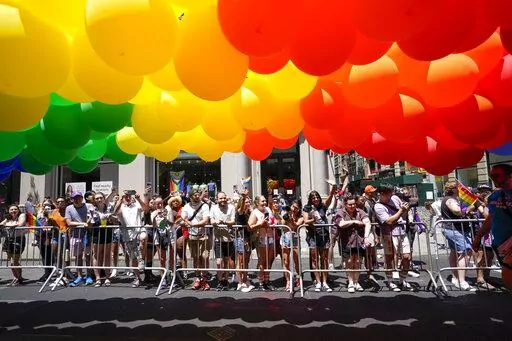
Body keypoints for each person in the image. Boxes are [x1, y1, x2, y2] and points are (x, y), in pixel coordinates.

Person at [473, 164, 512, 290]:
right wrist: (478, 237)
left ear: (510, 176)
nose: (493, 178)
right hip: (500, 246)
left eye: (497, 175)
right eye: (491, 176)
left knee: (508, 278)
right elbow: (491, 218)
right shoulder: (494, 197)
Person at [374, 184, 413, 292]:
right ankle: (390, 281)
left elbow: (403, 212)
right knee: (389, 258)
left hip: (401, 231)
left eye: (392, 192)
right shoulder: (378, 206)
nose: (392, 195)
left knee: (406, 257)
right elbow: (389, 221)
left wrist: (406, 209)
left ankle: (402, 279)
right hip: (388, 233)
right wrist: (401, 211)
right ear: (382, 194)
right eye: (389, 193)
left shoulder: (395, 198)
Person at [440, 181, 475, 291]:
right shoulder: (450, 199)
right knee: (466, 251)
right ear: (453, 189)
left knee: (454, 252)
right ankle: (462, 281)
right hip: (454, 229)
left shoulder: (452, 199)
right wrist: (469, 208)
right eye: (458, 188)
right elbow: (457, 211)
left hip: (454, 229)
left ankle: (456, 278)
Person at [336, 195, 372, 293]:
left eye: (354, 204)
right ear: (345, 204)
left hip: (359, 241)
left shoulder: (360, 211)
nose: (352, 206)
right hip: (347, 242)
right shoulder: (341, 212)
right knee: (349, 262)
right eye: (350, 204)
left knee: (358, 262)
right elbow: (341, 224)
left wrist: (366, 237)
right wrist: (355, 221)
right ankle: (351, 282)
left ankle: (356, 282)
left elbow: (367, 222)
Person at [114, 190, 150, 288]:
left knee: (143, 237)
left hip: (139, 230)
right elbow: (115, 212)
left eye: (129, 195)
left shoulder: (136, 204)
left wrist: (139, 199)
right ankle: (137, 278)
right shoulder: (121, 206)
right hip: (128, 234)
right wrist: (121, 200)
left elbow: (146, 209)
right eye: (125, 196)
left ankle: (141, 259)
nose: (128, 197)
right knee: (133, 258)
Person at [303, 190, 333, 292]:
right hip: (313, 236)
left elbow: (329, 198)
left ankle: (325, 282)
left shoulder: (323, 206)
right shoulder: (307, 208)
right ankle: (318, 282)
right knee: (315, 260)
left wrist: (333, 189)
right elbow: (306, 221)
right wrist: (314, 220)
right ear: (310, 199)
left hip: (324, 235)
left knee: (324, 259)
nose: (315, 199)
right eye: (313, 197)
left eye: (317, 197)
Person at [180, 188, 210, 290]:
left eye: (198, 195)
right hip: (192, 236)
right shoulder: (186, 207)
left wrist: (193, 224)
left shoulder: (204, 206)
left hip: (204, 235)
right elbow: (183, 218)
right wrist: (189, 223)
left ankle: (205, 279)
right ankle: (198, 279)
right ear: (190, 196)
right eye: (195, 195)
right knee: (196, 257)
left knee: (205, 257)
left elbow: (205, 220)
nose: (197, 196)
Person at [65, 192, 95, 287]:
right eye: (75, 198)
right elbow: (68, 222)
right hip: (75, 235)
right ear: (72, 199)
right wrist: (83, 224)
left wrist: (89, 221)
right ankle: (79, 276)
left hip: (88, 235)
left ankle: (89, 275)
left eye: (79, 197)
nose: (77, 199)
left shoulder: (89, 205)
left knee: (88, 256)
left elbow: (92, 218)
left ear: (82, 198)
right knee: (78, 256)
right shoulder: (69, 208)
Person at [248, 195, 277, 291]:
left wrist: (275, 222)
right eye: (262, 201)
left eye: (265, 201)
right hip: (261, 238)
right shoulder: (254, 212)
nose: (264, 203)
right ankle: (261, 282)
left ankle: (267, 280)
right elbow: (250, 227)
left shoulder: (268, 209)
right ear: (257, 203)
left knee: (269, 260)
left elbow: (273, 219)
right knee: (262, 261)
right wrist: (260, 224)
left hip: (270, 237)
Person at [210, 191, 236, 291]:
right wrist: (215, 222)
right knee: (219, 261)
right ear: (217, 199)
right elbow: (211, 220)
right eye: (221, 198)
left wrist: (225, 222)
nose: (223, 200)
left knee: (227, 261)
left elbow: (233, 221)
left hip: (229, 238)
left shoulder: (231, 207)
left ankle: (225, 281)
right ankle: (220, 281)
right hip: (218, 239)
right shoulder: (213, 208)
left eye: (224, 198)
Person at [90, 192, 114, 287]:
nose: (99, 200)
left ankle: (107, 277)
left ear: (104, 198)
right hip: (96, 232)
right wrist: (90, 220)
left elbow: (115, 218)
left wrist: (111, 216)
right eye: (97, 198)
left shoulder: (109, 207)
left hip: (107, 231)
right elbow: (89, 222)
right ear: (94, 200)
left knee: (107, 255)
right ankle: (98, 278)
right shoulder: (92, 209)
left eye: (101, 198)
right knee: (97, 255)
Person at [0, 205, 27, 286]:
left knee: (14, 261)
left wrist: (7, 226)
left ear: (18, 210)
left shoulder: (22, 215)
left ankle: (18, 278)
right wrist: (6, 224)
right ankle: (17, 277)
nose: (13, 211)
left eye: (15, 209)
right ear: (8, 211)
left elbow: (20, 224)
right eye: (11, 209)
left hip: (18, 239)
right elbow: (1, 224)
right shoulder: (8, 218)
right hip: (9, 240)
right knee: (11, 261)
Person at [280, 200, 303, 291]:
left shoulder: (300, 217)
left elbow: (296, 226)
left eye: (296, 208)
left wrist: (292, 219)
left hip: (295, 238)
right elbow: (282, 224)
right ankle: (288, 281)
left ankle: (298, 278)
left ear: (299, 209)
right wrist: (287, 217)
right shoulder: (286, 214)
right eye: (293, 207)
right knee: (286, 261)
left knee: (297, 261)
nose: (294, 209)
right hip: (285, 238)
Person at [234, 190, 254, 292]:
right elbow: (241, 209)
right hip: (240, 239)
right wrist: (243, 197)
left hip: (247, 239)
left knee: (246, 261)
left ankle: (245, 280)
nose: (248, 203)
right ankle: (240, 282)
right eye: (246, 201)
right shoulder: (239, 211)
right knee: (240, 262)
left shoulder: (249, 212)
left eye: (249, 201)